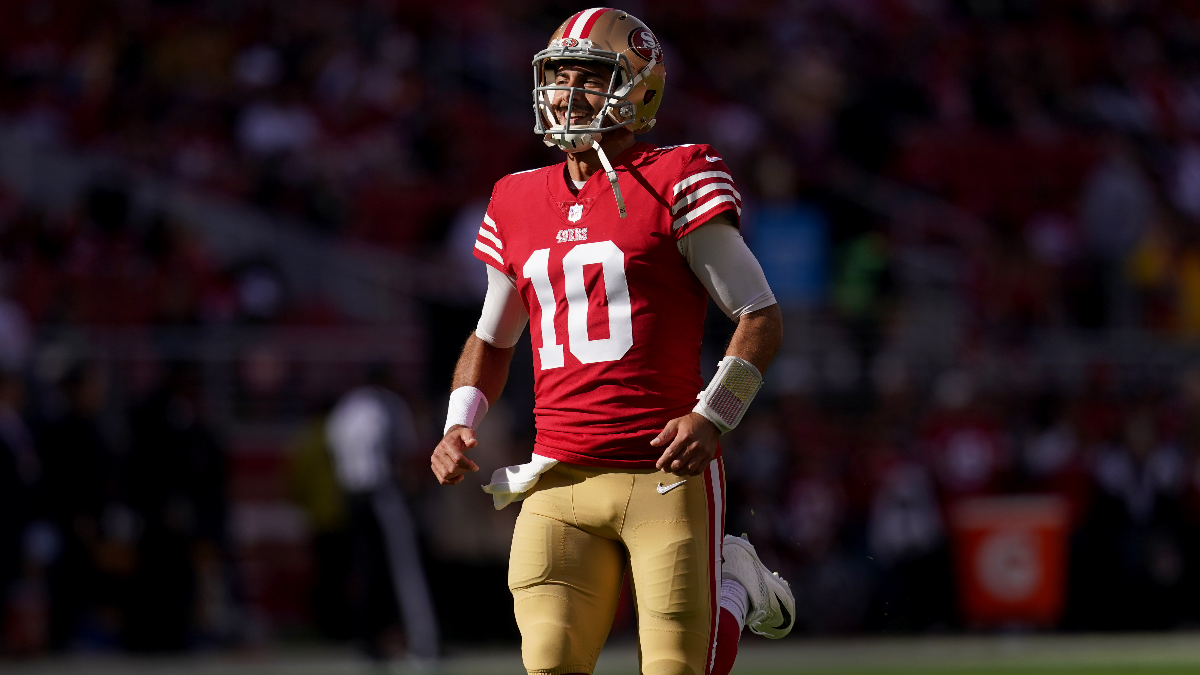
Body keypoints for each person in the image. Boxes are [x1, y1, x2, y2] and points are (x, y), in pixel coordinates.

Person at [430, 9, 794, 675]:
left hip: (664, 475)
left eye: (590, 77)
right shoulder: (514, 198)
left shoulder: (677, 175)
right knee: (549, 663)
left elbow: (760, 314)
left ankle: (734, 585)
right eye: (558, 76)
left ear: (640, 88)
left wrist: (715, 414)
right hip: (557, 477)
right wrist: (459, 423)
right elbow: (491, 335)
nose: (567, 93)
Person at [326, 366, 439, 662]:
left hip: (353, 495)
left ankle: (369, 640)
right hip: (383, 492)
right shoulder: (388, 405)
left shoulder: (346, 408)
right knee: (405, 569)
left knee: (365, 568)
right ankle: (421, 641)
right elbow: (399, 452)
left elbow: (335, 453)